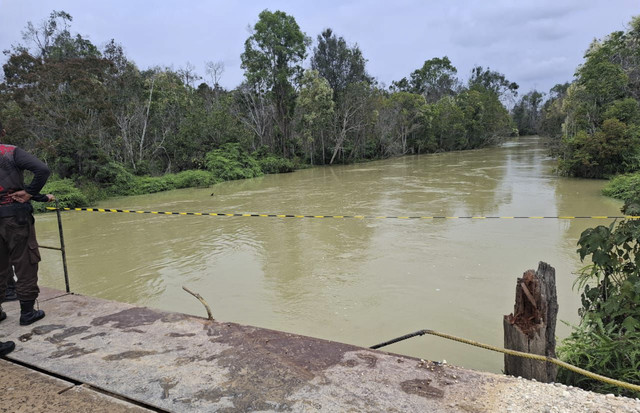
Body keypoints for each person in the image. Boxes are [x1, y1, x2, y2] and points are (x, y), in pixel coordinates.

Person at [0, 120, 54, 331]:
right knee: (25, 262)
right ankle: (27, 312)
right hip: (15, 216)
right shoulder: (10, 152)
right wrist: (31, 192)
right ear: (3, 132)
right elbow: (42, 169)